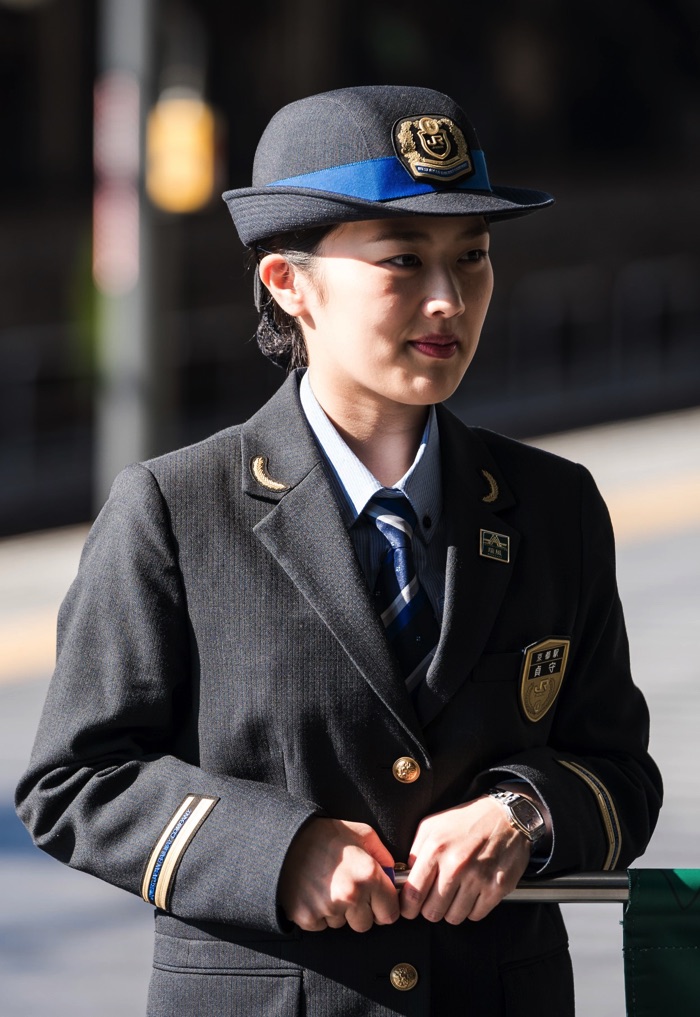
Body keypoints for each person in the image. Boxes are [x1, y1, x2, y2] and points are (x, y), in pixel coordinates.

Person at [16, 85, 662, 1016]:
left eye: (472, 258)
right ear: (290, 284)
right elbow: (73, 779)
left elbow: (621, 773)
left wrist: (523, 811)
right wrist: (279, 851)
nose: (449, 299)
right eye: (404, 260)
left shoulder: (554, 506)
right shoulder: (175, 508)